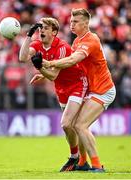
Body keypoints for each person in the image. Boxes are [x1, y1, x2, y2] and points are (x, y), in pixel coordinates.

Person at [42, 9, 116, 172]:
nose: (71, 24)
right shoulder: (76, 41)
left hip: (103, 90)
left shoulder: (91, 40)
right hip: (92, 89)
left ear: (86, 23)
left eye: (75, 22)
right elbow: (73, 66)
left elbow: (73, 59)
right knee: (75, 125)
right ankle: (82, 162)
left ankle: (97, 166)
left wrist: (49, 63)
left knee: (80, 125)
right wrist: (46, 73)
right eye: (71, 21)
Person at [19, 17, 89, 172]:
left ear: (54, 32)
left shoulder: (62, 46)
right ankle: (81, 161)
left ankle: (75, 157)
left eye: (45, 28)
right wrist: (29, 36)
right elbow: (22, 58)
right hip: (61, 88)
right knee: (69, 127)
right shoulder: (37, 44)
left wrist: (40, 68)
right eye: (39, 28)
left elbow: (53, 76)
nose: (41, 30)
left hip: (77, 84)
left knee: (66, 123)